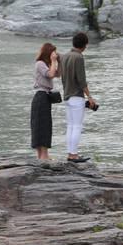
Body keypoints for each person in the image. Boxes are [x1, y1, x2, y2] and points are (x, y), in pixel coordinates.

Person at [61, 31, 97, 163]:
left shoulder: (65, 56)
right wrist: (90, 97)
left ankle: (70, 153)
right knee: (77, 126)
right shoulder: (79, 57)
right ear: (84, 45)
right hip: (77, 96)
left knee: (70, 126)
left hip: (67, 96)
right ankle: (74, 155)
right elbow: (82, 80)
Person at [30, 42, 60, 160]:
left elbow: (58, 74)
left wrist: (58, 61)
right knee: (41, 126)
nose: (54, 55)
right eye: (53, 53)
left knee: (44, 126)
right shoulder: (40, 63)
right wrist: (53, 61)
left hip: (44, 98)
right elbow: (51, 74)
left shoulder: (46, 64)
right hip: (41, 97)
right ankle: (43, 156)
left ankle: (43, 155)